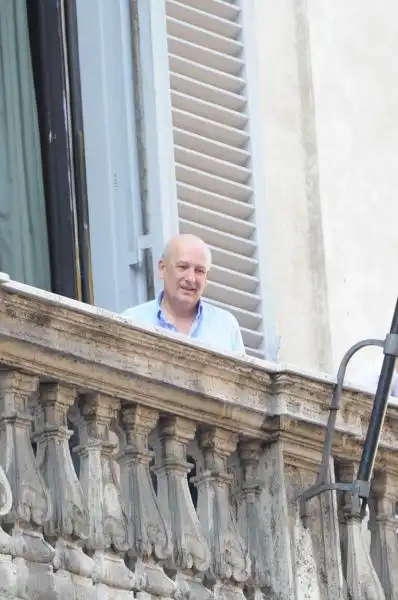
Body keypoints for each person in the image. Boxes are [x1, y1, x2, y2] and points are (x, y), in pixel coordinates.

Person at [121, 234, 246, 355]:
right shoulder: (131, 321)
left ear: (206, 278)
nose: (191, 278)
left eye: (199, 271)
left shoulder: (226, 326)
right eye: (182, 267)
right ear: (163, 269)